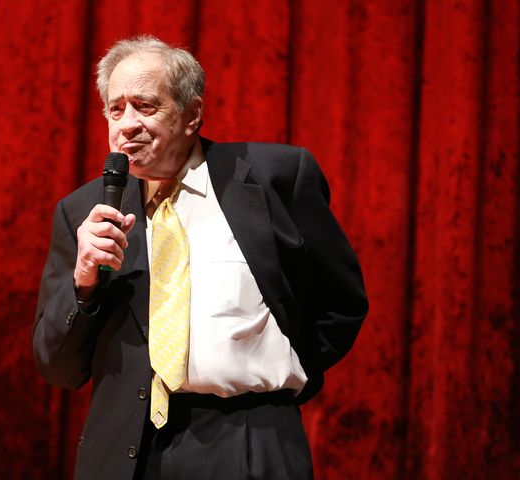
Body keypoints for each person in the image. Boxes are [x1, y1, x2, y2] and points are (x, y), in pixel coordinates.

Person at [33, 35, 367, 479]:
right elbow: (58, 366)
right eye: (116, 109)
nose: (126, 124)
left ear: (192, 114)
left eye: (145, 106)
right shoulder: (84, 213)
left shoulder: (275, 180)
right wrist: (84, 285)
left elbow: (340, 304)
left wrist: (273, 378)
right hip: (126, 453)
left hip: (250, 440)